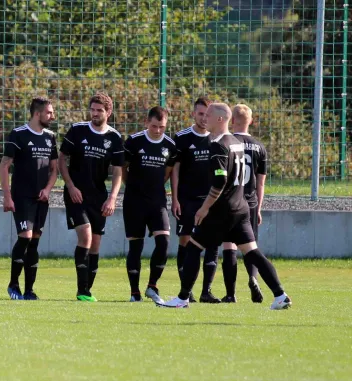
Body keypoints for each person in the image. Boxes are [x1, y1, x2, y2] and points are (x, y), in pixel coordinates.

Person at [160, 103, 291, 310]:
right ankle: (281, 295)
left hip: (223, 211)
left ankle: (182, 298)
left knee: (193, 248)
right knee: (253, 252)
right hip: (241, 209)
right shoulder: (236, 141)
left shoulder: (218, 145)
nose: (205, 119)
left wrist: (204, 208)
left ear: (220, 119)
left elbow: (220, 182)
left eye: (209, 115)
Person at [58, 92, 124, 302]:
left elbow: (118, 170)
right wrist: (70, 186)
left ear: (108, 112)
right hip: (76, 195)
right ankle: (82, 290)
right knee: (85, 236)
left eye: (99, 111)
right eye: (92, 110)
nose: (94, 114)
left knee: (95, 243)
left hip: (99, 197)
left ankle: (88, 289)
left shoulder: (114, 137)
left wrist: (112, 197)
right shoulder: (78, 130)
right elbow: (61, 159)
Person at [0, 97, 58, 300]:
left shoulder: (51, 137)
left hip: (41, 199)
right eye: (49, 112)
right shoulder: (19, 134)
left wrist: (48, 189)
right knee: (25, 237)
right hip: (22, 196)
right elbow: (4, 166)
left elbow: (54, 169)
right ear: (37, 114)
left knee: (34, 242)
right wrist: (7, 196)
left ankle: (29, 290)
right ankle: (13, 284)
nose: (52, 116)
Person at [122, 106, 177, 303]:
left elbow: (168, 172)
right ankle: (134, 292)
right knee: (135, 247)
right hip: (134, 202)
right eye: (154, 126)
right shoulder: (134, 141)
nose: (157, 130)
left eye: (162, 127)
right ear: (147, 122)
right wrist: (133, 186)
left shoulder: (170, 145)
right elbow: (122, 168)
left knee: (163, 242)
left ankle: (152, 286)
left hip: (157, 202)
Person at [171, 96, 221, 303]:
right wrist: (175, 199)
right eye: (200, 114)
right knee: (186, 242)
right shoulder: (181, 138)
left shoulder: (218, 139)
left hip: (211, 201)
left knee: (212, 244)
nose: (203, 118)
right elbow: (175, 170)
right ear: (193, 113)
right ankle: (186, 290)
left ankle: (206, 292)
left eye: (207, 114)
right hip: (187, 200)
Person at [221, 104, 266, 303]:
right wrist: (259, 208)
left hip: (232, 201)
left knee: (229, 246)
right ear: (251, 121)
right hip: (251, 202)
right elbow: (260, 181)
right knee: (251, 246)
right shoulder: (259, 147)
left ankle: (231, 294)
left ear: (232, 121)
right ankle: (253, 279)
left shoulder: (229, 142)